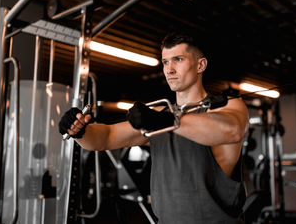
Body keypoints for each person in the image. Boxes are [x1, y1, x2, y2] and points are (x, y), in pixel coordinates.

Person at [59, 32, 249, 223]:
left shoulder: (227, 105)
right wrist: (80, 131)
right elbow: (106, 136)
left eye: (178, 59)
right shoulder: (159, 114)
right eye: (165, 62)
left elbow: (232, 130)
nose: (169, 69)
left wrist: (167, 121)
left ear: (201, 65)